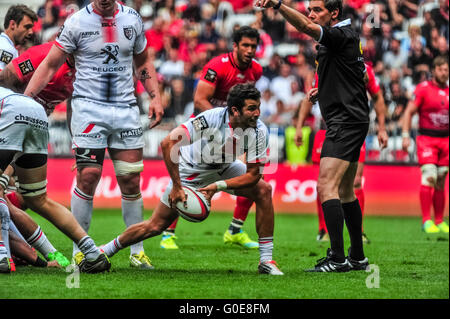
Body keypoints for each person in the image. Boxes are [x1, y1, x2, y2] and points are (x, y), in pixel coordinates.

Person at [24, 0, 164, 269]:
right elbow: (51, 65)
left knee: (131, 180)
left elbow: (142, 60)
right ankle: (81, 248)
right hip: (89, 109)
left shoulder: (132, 19)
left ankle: (137, 252)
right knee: (88, 176)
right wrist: (27, 100)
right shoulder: (76, 22)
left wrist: (155, 96)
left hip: (126, 109)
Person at [100, 83, 283, 275]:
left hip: (224, 168)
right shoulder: (210, 118)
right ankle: (104, 250)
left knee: (264, 190)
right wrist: (177, 186)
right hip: (191, 171)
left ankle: (266, 261)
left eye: (258, 107)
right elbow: (168, 143)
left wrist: (218, 186)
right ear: (235, 110)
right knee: (156, 225)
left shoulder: (259, 130)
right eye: (252, 108)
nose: (257, 113)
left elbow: (254, 175)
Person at [256, 0, 381, 272]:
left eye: (317, 10)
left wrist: (278, 5)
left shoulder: (340, 34)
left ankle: (337, 259)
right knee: (346, 191)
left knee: (326, 187)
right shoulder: (345, 39)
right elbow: (351, 75)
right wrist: (323, 89)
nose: (311, 14)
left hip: (345, 122)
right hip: (351, 119)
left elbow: (303, 26)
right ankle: (357, 257)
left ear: (334, 13)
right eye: (310, 9)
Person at [160, 26, 262, 250]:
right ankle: (167, 232)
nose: (250, 50)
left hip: (235, 129)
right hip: (207, 128)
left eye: (253, 46)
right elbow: (199, 100)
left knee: (251, 175)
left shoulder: (256, 70)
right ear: (235, 46)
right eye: (245, 45)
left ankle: (235, 230)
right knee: (189, 177)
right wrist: (221, 129)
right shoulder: (217, 66)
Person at [0, 87, 110, 275]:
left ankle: (2, 255)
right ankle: (92, 252)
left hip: (9, 111)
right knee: (38, 199)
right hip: (35, 112)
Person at [296, 63, 388, 243]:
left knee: (355, 182)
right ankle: (324, 230)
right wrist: (299, 126)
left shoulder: (363, 68)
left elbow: (377, 96)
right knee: (323, 183)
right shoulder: (324, 66)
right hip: (327, 129)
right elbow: (309, 96)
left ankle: (359, 232)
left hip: (353, 129)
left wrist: (382, 128)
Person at [402, 56, 449, 234]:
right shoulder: (423, 89)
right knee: (429, 175)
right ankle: (426, 220)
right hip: (427, 139)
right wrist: (406, 136)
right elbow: (409, 112)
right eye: (441, 70)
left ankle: (439, 220)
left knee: (441, 178)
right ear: (434, 70)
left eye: (446, 70)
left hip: (446, 140)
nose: (444, 73)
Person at [0, 5, 37, 71]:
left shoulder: (4, 44)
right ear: (12, 25)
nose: (31, 32)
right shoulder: (7, 49)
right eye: (27, 27)